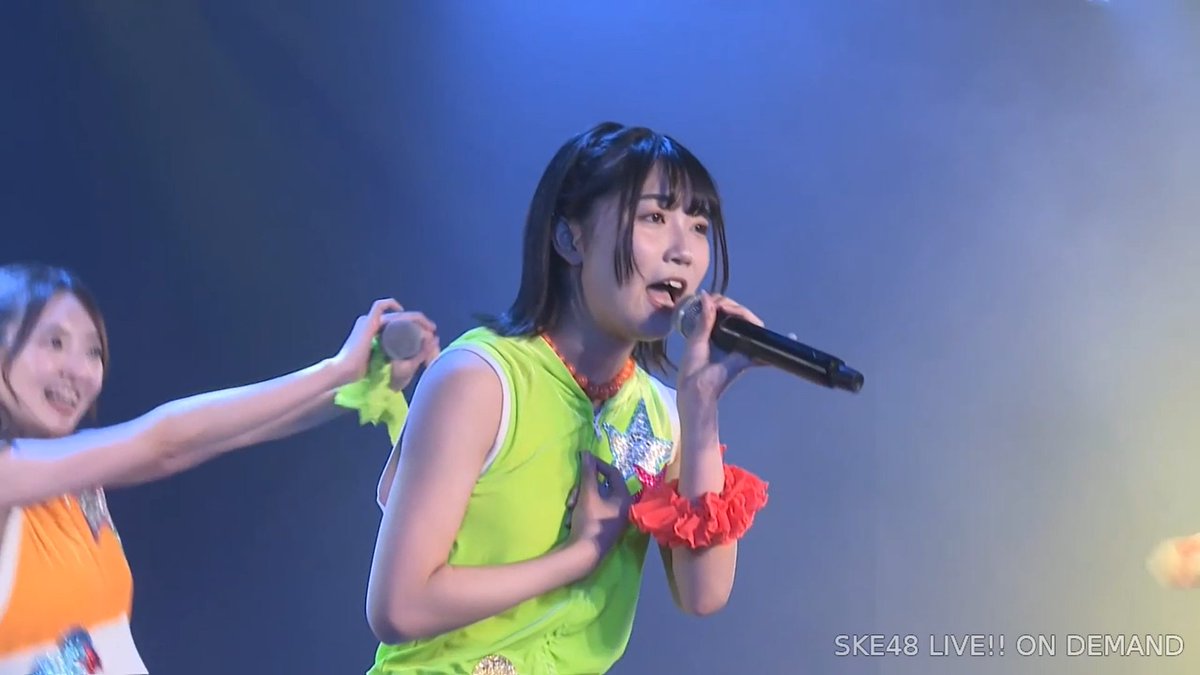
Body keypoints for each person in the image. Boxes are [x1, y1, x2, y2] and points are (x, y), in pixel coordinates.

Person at [352, 122, 771, 674]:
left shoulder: (665, 414)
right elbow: (398, 607)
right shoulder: (479, 380)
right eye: (654, 218)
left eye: (698, 226)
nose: (683, 252)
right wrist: (580, 556)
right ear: (571, 239)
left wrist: (702, 411)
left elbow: (704, 594)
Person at [0, 262, 438, 675]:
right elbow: (163, 443)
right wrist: (335, 370)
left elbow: (226, 435)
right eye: (54, 343)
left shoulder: (74, 485)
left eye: (92, 352)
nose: (78, 371)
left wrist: (361, 384)